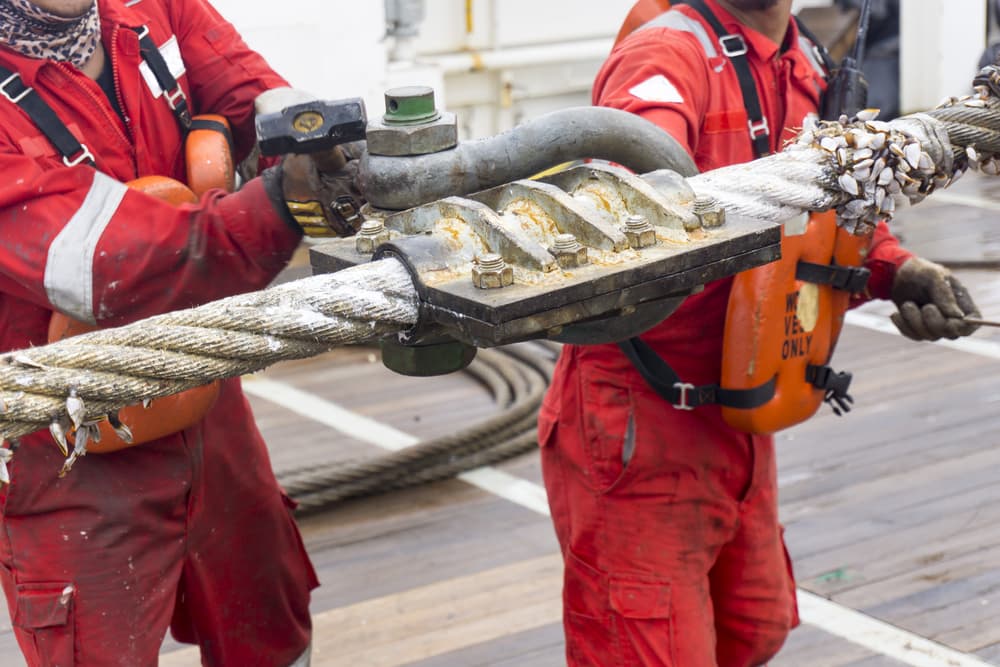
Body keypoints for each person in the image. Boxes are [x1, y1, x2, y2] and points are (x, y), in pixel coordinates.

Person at [538, 1, 981, 665]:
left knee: (754, 626)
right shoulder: (666, 58)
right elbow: (630, 207)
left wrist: (896, 269)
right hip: (641, 429)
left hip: (744, 413)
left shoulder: (803, 63)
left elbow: (829, 205)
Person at [0, 0, 362, 665]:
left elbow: (247, 87)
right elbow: (106, 260)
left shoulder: (149, 9)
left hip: (206, 393)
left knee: (269, 622)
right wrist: (281, 206)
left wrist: (313, 137)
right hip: (70, 449)